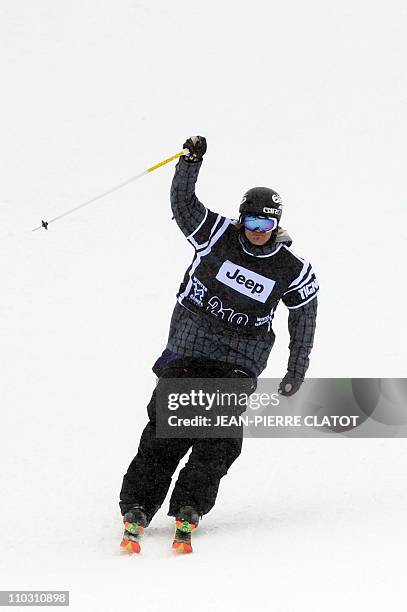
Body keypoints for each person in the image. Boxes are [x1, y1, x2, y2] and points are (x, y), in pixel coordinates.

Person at [119, 136, 319, 553]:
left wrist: (296, 370)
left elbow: (305, 316)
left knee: (219, 436)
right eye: (252, 223)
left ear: (277, 225)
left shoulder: (291, 268)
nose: (258, 233)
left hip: (239, 360)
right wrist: (191, 161)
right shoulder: (216, 235)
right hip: (189, 347)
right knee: (168, 428)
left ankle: (190, 507)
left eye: (266, 226)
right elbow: (183, 204)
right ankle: (138, 506)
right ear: (242, 218)